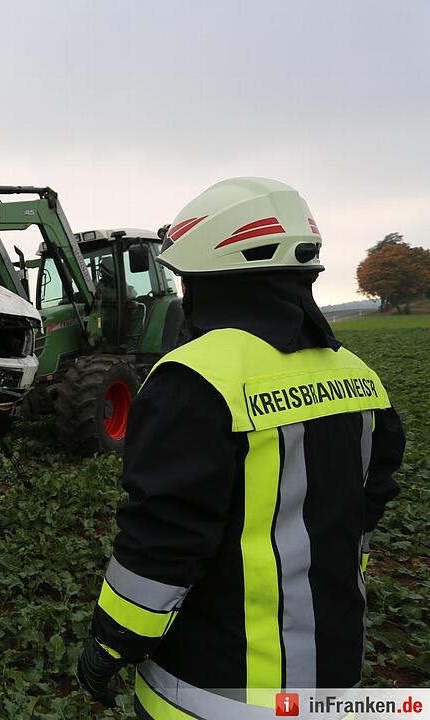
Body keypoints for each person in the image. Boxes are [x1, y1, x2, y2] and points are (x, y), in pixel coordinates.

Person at [76, 178, 406, 717]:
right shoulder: (358, 377)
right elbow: (366, 505)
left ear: (207, 278)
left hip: (217, 686)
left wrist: (114, 641)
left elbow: (163, 537)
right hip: (332, 672)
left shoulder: (196, 378)